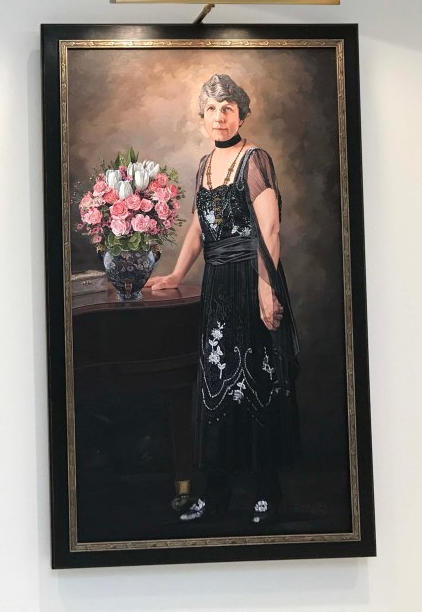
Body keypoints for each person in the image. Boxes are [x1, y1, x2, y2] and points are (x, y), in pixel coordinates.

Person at [145, 73, 299, 525]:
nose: (219, 116)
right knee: (216, 387)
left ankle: (266, 493)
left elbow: (270, 229)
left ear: (241, 115)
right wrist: (177, 273)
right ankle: (215, 496)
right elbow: (199, 226)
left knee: (256, 383)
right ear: (202, 116)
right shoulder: (204, 164)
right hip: (217, 287)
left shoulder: (255, 160)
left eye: (227, 108)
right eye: (211, 109)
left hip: (252, 279)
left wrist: (267, 290)